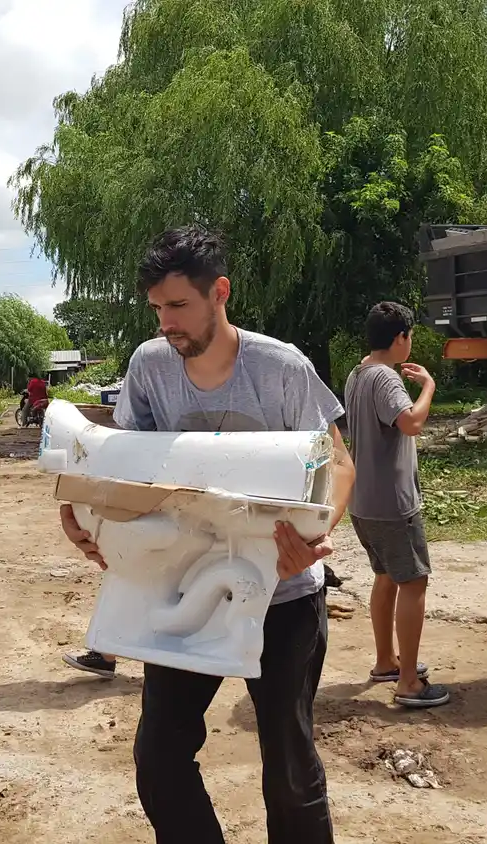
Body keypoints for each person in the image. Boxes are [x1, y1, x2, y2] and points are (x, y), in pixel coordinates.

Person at [58, 225, 354, 843]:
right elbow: (124, 462)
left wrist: (318, 531)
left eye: (179, 306)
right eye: (158, 308)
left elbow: (338, 463)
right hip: (183, 592)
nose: (167, 323)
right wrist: (85, 511)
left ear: (219, 292)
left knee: (289, 771)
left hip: (286, 597)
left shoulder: (280, 367)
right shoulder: (149, 365)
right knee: (159, 761)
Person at [344, 301, 450, 709]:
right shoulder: (386, 379)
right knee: (413, 582)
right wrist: (428, 387)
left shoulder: (357, 373)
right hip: (393, 503)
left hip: (363, 499)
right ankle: (408, 683)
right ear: (401, 337)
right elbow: (412, 423)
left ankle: (387, 660)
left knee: (386, 577)